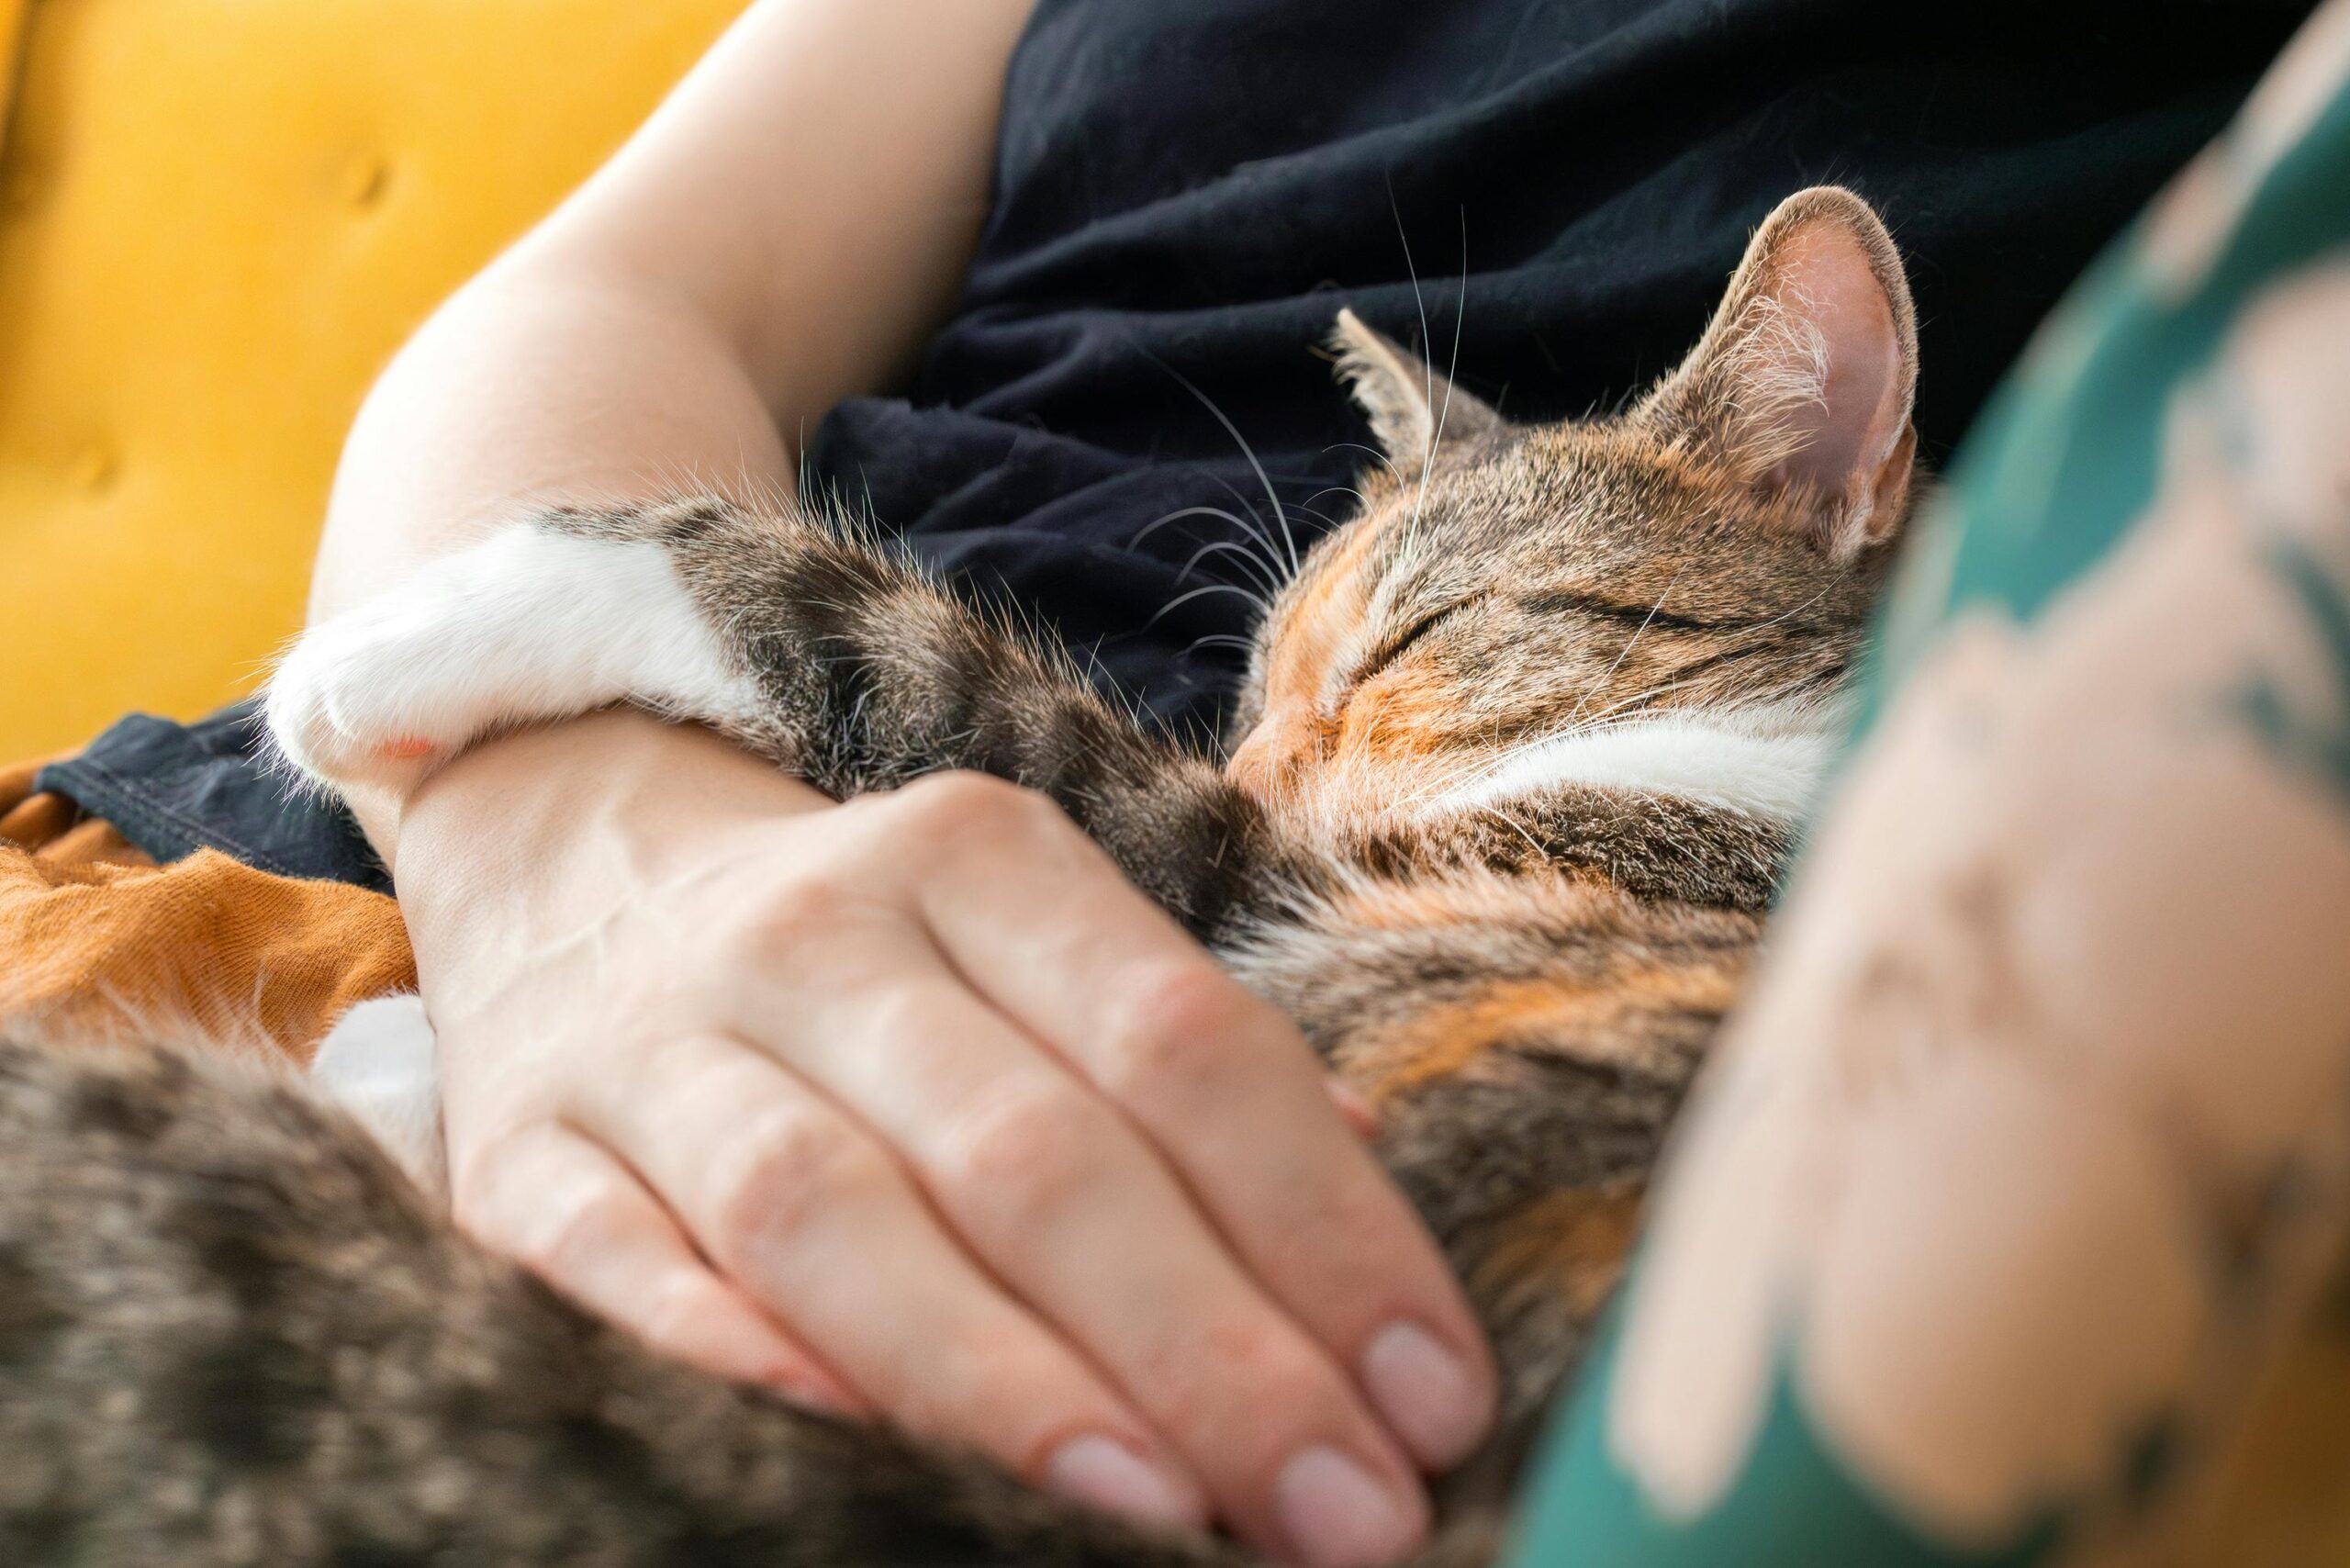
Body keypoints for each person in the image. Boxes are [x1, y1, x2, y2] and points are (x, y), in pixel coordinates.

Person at [29, 3, 2314, 1564]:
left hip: (1245, 1030)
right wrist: (582, 868)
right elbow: (603, 303)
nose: (1284, 743)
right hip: (391, 809)